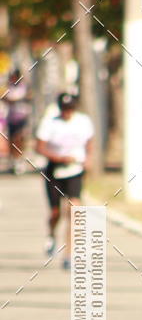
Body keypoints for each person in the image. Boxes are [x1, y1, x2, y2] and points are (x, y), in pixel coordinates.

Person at [36, 92, 94, 270]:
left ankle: (69, 254)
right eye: (64, 109)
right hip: (54, 171)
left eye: (70, 109)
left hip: (74, 171)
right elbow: (39, 147)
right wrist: (59, 158)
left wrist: (89, 158)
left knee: (74, 211)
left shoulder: (83, 121)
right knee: (56, 213)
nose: (67, 113)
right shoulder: (50, 122)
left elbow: (89, 142)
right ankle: (52, 234)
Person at [6, 69, 31, 174]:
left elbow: (29, 97)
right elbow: (6, 98)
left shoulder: (24, 87)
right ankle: (13, 160)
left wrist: (16, 100)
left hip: (22, 117)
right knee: (11, 140)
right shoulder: (9, 87)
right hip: (11, 118)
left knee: (19, 139)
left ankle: (20, 160)